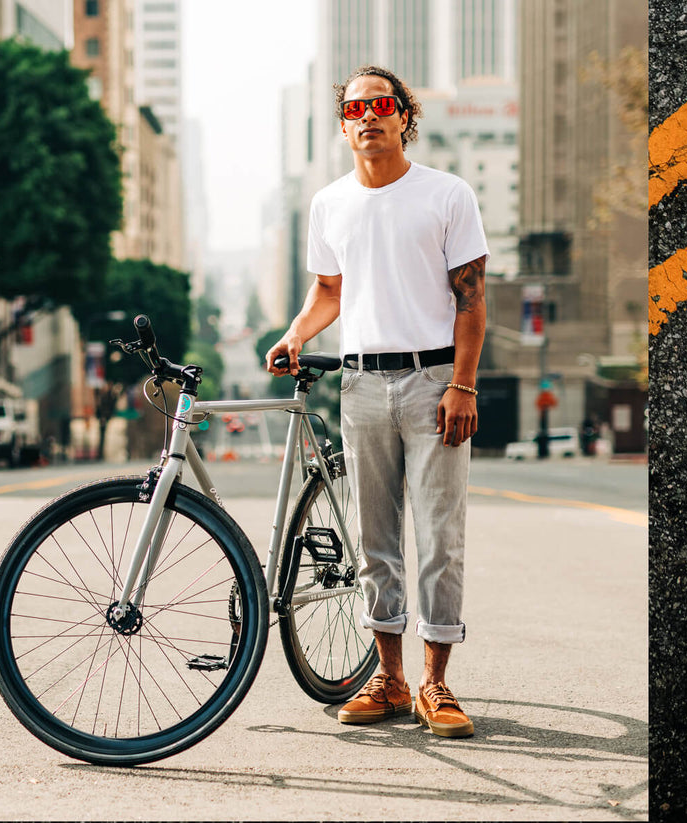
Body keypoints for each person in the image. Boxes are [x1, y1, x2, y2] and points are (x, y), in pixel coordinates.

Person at [265, 65, 487, 739]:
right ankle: (388, 679)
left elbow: (471, 299)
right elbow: (329, 289)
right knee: (374, 539)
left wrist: (464, 383)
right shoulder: (330, 203)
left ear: (403, 117)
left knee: (439, 537)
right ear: (343, 125)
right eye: (355, 107)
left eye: (381, 104)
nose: (368, 116)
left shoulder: (446, 195)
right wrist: (296, 333)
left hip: (432, 381)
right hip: (360, 382)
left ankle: (436, 682)